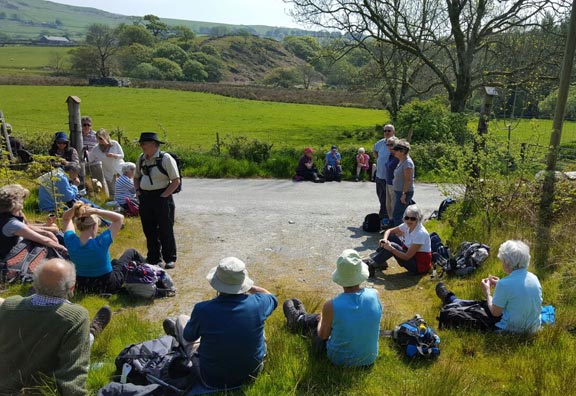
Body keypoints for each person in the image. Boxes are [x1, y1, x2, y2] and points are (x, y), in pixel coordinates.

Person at [0, 258, 112, 396]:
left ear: (34, 283)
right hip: (41, 389)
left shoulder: (9, 305)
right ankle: (92, 333)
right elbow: (73, 372)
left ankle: (90, 333)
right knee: (81, 342)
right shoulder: (75, 316)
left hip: (5, 386)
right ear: (72, 287)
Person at [162, 257, 278, 389]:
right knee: (259, 329)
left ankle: (176, 335)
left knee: (182, 320)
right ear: (243, 282)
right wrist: (249, 287)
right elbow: (271, 296)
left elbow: (189, 337)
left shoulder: (203, 309)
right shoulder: (258, 304)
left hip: (212, 379)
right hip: (252, 375)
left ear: (217, 284)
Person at [283, 249, 382, 367]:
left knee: (320, 322)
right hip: (368, 359)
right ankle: (300, 319)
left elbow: (323, 335)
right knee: (328, 318)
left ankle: (299, 319)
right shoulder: (375, 294)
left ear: (340, 278)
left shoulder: (331, 305)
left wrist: (322, 320)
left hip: (339, 360)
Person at [436, 240, 543, 334]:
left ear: (507, 263)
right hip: (533, 327)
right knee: (484, 305)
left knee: (478, 309)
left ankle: (450, 299)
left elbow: (495, 313)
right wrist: (500, 283)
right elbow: (518, 291)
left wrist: (487, 292)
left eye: (502, 261)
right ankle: (451, 299)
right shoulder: (534, 277)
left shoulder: (505, 284)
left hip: (512, 329)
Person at [62, 202, 140, 294]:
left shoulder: (70, 241)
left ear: (78, 226)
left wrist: (75, 208)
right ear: (94, 226)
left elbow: (66, 218)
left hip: (82, 286)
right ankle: (151, 268)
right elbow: (119, 218)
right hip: (107, 285)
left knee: (115, 262)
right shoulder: (101, 241)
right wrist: (96, 211)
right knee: (131, 252)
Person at [134, 132, 180, 269]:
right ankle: (153, 258)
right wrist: (138, 192)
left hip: (162, 197)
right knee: (149, 229)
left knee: (165, 228)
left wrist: (164, 196)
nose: (141, 146)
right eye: (141, 144)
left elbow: (175, 181)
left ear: (154, 145)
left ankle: (170, 258)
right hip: (145, 197)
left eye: (144, 144)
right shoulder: (141, 158)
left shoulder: (165, 159)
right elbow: (136, 177)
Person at [0, 184, 67, 263]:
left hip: (18, 249)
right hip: (11, 258)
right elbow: (44, 240)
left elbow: (26, 226)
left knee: (53, 233)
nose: (23, 201)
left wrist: (47, 232)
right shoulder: (12, 223)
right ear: (15, 203)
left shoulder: (7, 215)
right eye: (22, 199)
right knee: (47, 247)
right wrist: (62, 248)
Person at [365, 204, 431, 276]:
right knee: (390, 238)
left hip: (418, 266)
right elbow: (389, 231)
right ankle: (379, 262)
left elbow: (407, 257)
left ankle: (373, 263)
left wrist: (391, 249)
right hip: (410, 255)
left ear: (418, 219)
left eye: (412, 219)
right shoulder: (407, 225)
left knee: (392, 246)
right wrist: (384, 240)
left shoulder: (420, 234)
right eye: (407, 218)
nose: (409, 220)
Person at [37, 163, 102, 213]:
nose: (77, 176)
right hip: (51, 209)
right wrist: (75, 185)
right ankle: (99, 211)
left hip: (45, 206)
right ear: (71, 171)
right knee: (79, 204)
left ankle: (98, 210)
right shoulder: (61, 178)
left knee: (77, 198)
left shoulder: (56, 172)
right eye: (77, 174)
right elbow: (68, 197)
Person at [88, 129, 124, 196]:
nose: (99, 141)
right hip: (108, 172)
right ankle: (115, 204)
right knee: (112, 191)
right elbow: (89, 159)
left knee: (123, 187)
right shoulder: (96, 149)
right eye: (98, 139)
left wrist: (114, 155)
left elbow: (122, 155)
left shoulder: (114, 144)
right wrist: (86, 155)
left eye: (101, 138)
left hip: (119, 169)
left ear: (106, 137)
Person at [373, 124, 396, 226]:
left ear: (393, 132)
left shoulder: (396, 143)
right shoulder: (380, 143)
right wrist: (378, 159)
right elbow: (375, 150)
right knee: (381, 197)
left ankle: (386, 218)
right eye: (385, 130)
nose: (387, 132)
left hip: (390, 178)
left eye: (389, 131)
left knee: (389, 200)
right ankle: (383, 217)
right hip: (379, 175)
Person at [391, 139, 415, 227]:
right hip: (399, 191)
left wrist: (404, 194)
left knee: (398, 215)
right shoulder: (402, 161)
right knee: (400, 214)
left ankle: (401, 237)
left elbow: (408, 180)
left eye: (397, 150)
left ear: (403, 151)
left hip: (404, 192)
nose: (395, 151)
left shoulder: (407, 163)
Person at [384, 136, 400, 221]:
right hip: (388, 182)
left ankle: (395, 224)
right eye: (388, 144)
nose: (389, 146)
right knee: (388, 205)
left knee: (394, 206)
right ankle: (390, 222)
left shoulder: (398, 156)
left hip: (395, 184)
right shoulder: (390, 155)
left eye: (392, 144)